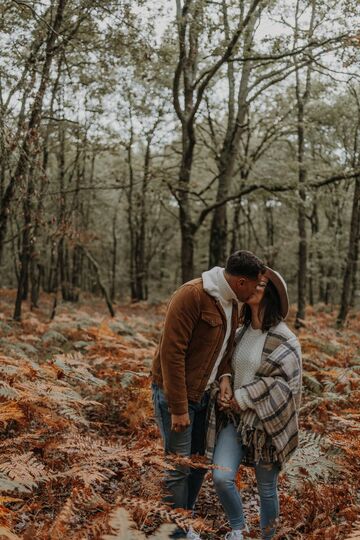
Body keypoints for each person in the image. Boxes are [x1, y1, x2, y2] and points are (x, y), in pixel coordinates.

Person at [151, 250, 266, 539]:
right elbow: (171, 353)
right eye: (255, 284)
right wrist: (178, 408)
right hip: (177, 396)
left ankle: (183, 521)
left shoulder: (233, 304)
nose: (257, 290)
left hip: (204, 396)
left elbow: (224, 350)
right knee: (178, 468)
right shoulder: (191, 295)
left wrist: (225, 376)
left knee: (199, 463)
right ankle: (174, 534)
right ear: (241, 282)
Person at [209, 268, 302, 540]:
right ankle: (238, 528)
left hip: (265, 426)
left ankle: (267, 537)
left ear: (270, 294)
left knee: (267, 489)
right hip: (236, 421)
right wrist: (224, 389)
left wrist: (244, 397)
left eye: (260, 285)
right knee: (221, 478)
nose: (252, 287)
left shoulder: (285, 338)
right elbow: (224, 367)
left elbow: (286, 386)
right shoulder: (238, 332)